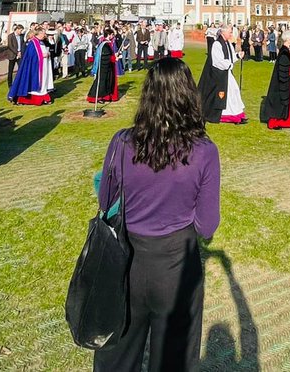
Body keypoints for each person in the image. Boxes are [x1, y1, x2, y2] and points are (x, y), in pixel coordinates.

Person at [93, 58, 220, 371]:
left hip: (127, 261)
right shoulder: (204, 150)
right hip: (175, 267)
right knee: (173, 359)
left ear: (148, 96)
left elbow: (106, 199)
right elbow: (207, 224)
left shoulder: (122, 142)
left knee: (116, 358)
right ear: (189, 96)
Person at [198, 23, 246, 124]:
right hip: (219, 75)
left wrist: (238, 55)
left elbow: (230, 56)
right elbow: (217, 61)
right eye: (230, 32)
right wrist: (229, 65)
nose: (231, 34)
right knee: (227, 94)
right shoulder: (217, 44)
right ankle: (226, 115)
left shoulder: (228, 43)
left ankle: (237, 113)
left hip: (227, 73)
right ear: (223, 32)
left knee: (234, 91)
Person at [10, 23, 54, 106]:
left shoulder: (41, 42)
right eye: (44, 33)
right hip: (35, 68)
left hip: (43, 66)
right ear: (40, 33)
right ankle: (32, 99)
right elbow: (30, 55)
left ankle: (44, 96)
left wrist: (47, 54)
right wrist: (42, 55)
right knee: (35, 82)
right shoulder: (33, 43)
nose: (45, 35)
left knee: (43, 81)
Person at [88, 28, 120, 104]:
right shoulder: (105, 44)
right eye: (112, 35)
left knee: (106, 82)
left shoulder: (107, 44)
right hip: (103, 68)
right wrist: (114, 58)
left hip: (107, 68)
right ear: (109, 35)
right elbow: (105, 57)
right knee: (101, 82)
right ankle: (97, 97)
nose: (113, 36)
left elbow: (109, 54)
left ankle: (105, 96)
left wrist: (114, 55)